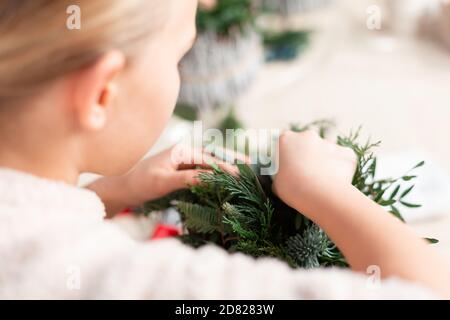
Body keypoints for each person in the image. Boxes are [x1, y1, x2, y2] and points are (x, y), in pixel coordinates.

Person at [0, 0, 448, 299]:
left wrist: (109, 193)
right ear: (102, 93)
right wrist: (325, 189)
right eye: (179, 57)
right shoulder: (128, 284)